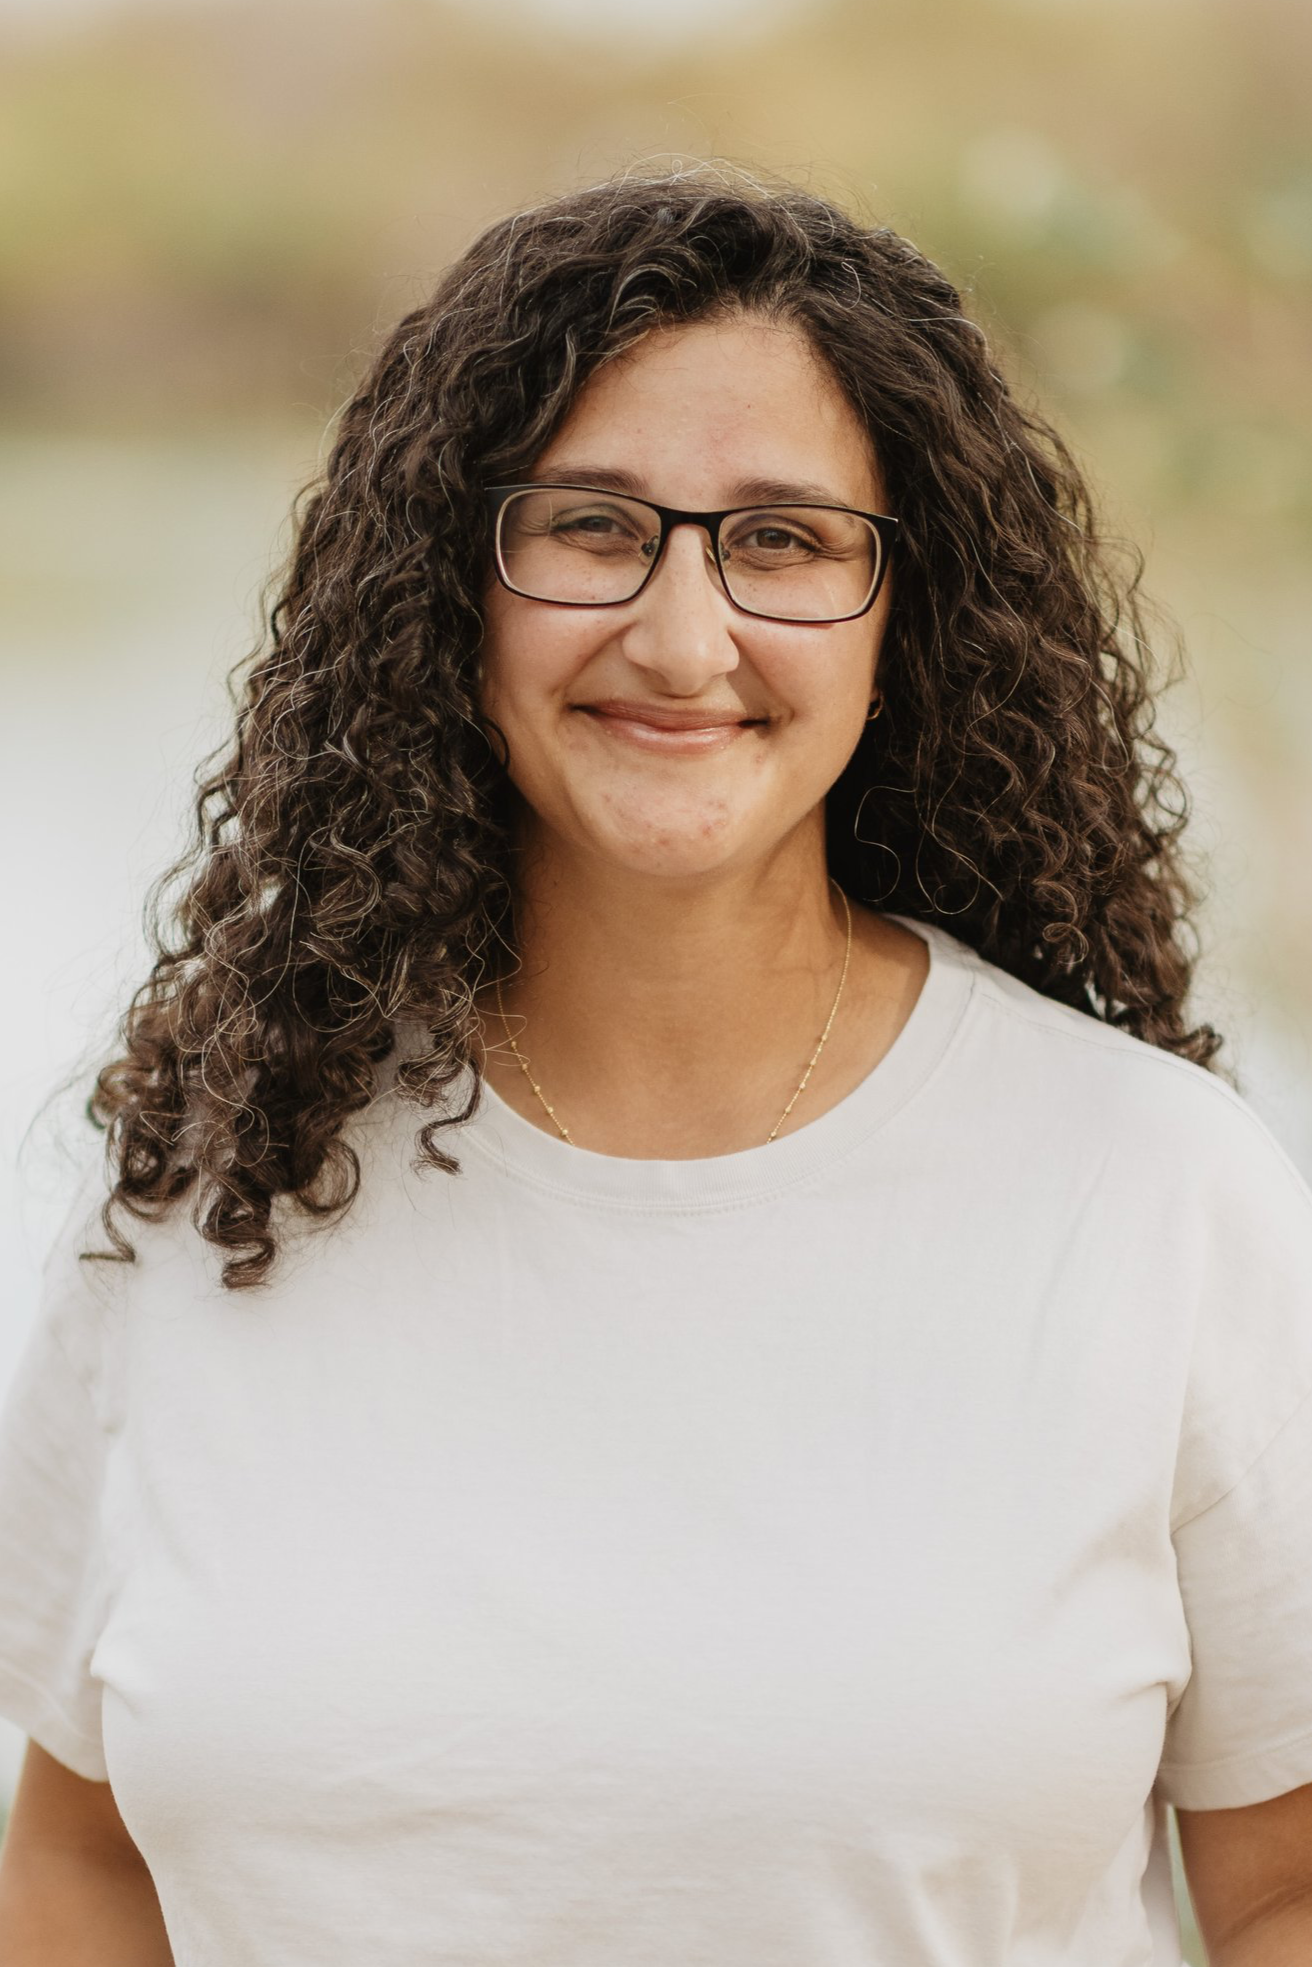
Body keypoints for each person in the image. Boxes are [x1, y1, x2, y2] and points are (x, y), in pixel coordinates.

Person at [0, 164, 1309, 1967]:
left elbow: (1283, 1894)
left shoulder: (1160, 1190)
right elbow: (82, 1865)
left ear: (900, 612)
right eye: (592, 526)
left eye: (781, 539)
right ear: (448, 588)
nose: (684, 639)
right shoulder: (215, 1186)